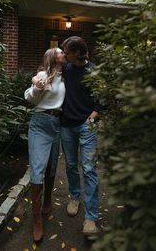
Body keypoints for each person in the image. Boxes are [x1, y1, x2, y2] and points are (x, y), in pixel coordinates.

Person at [24, 47, 66, 242]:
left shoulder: (67, 75)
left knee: (51, 167)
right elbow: (29, 97)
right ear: (52, 57)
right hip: (40, 123)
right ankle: (37, 218)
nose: (63, 53)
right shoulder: (42, 74)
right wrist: (37, 86)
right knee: (38, 169)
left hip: (57, 123)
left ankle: (47, 198)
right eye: (60, 51)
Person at [60, 36, 101, 236]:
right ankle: (75, 196)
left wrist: (91, 119)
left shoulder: (94, 72)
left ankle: (91, 218)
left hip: (86, 125)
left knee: (89, 169)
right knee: (69, 164)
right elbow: (47, 72)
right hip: (66, 125)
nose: (63, 54)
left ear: (77, 53)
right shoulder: (66, 69)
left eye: (66, 51)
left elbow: (103, 100)